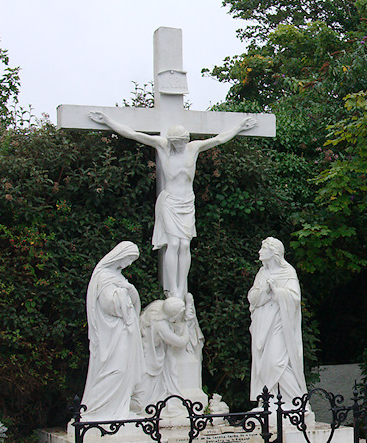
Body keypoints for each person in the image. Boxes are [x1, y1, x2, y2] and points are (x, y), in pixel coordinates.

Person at [89, 110, 257, 299]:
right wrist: (108, 121)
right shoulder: (162, 146)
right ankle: (173, 290)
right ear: (171, 140)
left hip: (187, 202)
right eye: (176, 142)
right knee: (174, 243)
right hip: (170, 203)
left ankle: (182, 287)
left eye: (182, 142)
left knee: (185, 244)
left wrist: (240, 126)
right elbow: (134, 134)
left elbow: (219, 139)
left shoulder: (193, 148)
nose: (179, 145)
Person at [80, 242, 143, 421]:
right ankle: (100, 409)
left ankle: (118, 406)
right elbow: (108, 302)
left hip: (123, 330)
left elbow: (133, 299)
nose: (129, 264)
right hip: (112, 332)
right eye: (129, 259)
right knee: (115, 368)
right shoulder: (103, 276)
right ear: (121, 255)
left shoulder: (116, 276)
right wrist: (123, 296)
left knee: (124, 369)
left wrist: (129, 292)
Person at [248, 237, 308, 406]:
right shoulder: (262, 273)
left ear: (273, 252)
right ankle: (270, 403)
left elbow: (294, 298)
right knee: (265, 364)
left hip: (280, 325)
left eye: (263, 248)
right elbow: (252, 298)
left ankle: (298, 402)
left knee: (276, 362)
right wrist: (265, 291)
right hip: (262, 325)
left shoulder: (288, 272)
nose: (260, 252)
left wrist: (277, 291)